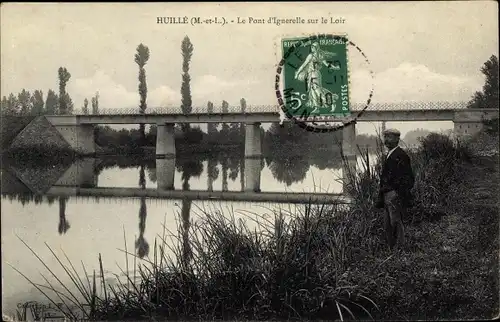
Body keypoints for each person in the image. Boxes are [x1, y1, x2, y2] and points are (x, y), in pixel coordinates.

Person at [376, 128, 415, 250]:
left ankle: (400, 247)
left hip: (393, 195)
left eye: (390, 137)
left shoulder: (401, 155)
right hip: (387, 194)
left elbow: (409, 178)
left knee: (396, 222)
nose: (386, 140)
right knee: (387, 223)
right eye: (385, 137)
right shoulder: (390, 153)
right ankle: (391, 248)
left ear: (397, 139)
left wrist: (396, 192)